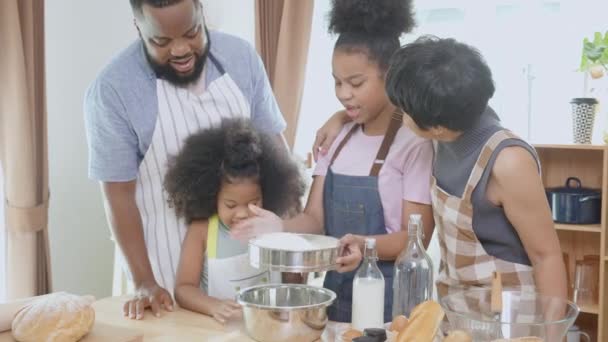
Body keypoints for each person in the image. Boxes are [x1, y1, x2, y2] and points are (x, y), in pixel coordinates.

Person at [318, 36, 568, 300]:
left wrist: (553, 334)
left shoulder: (509, 162)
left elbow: (547, 257)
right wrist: (341, 117)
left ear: (437, 127)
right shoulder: (449, 112)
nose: (400, 114)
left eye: (405, 111)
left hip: (509, 317)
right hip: (456, 307)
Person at [231, 0, 434, 323]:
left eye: (356, 83)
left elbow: (415, 240)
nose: (343, 94)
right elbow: (315, 219)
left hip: (393, 306)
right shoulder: (335, 138)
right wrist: (279, 227)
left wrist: (363, 245)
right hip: (335, 297)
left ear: (390, 76)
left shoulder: (413, 144)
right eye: (337, 82)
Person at [83, 0, 287, 320]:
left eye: (192, 32)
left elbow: (276, 155)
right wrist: (145, 282)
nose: (180, 50)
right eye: (160, 41)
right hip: (162, 276)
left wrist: (289, 245)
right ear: (138, 28)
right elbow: (118, 196)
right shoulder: (113, 90)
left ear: (201, 10)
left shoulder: (241, 58)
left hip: (248, 270)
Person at [162, 119, 304, 324]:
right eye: (230, 205)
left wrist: (294, 270)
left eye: (254, 202)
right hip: (219, 332)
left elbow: (290, 281)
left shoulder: (272, 225)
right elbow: (183, 288)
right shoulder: (202, 230)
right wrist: (212, 306)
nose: (242, 214)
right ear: (212, 196)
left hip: (268, 329)